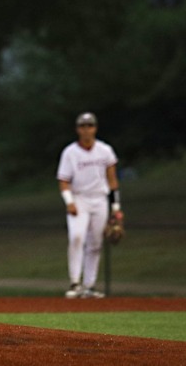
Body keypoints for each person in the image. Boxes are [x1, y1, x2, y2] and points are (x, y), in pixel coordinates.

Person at [56, 112, 122, 299]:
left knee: (95, 243)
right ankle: (75, 282)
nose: (86, 130)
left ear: (95, 128)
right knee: (76, 237)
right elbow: (63, 180)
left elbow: (112, 179)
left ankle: (89, 285)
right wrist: (69, 202)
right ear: (78, 129)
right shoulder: (70, 152)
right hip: (79, 199)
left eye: (90, 126)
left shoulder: (105, 150)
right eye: (83, 126)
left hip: (100, 199)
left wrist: (116, 208)